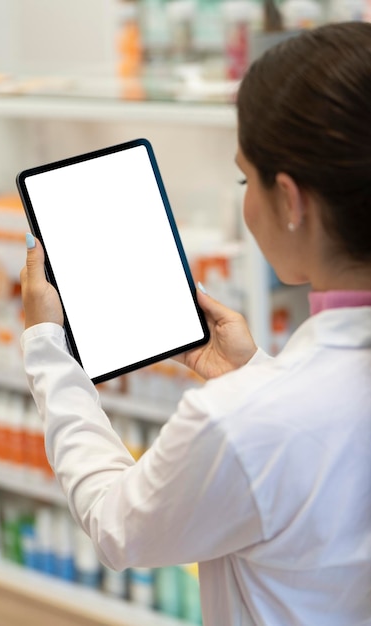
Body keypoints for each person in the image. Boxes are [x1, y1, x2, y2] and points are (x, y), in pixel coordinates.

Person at [20, 21, 371, 626]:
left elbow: (117, 524)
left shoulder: (237, 425)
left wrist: (47, 350)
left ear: (290, 200)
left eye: (244, 178)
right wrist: (254, 372)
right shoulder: (269, 406)